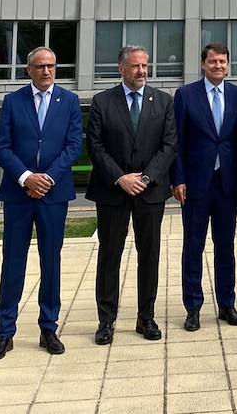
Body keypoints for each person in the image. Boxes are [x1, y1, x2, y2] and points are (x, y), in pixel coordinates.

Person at [0, 46, 83, 362]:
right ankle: (5, 333)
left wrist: (47, 179)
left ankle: (48, 328)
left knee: (50, 262)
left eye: (51, 66)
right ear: (29, 70)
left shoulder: (68, 102)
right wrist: (27, 177)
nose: (46, 71)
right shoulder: (13, 102)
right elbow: (1, 147)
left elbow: (73, 146)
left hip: (53, 195)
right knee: (13, 261)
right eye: (40, 66)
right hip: (18, 195)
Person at [86, 45, 177, 345]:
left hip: (150, 193)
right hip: (113, 191)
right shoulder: (102, 102)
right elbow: (95, 146)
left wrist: (147, 177)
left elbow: (168, 146)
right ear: (121, 69)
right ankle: (106, 321)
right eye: (136, 66)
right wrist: (120, 178)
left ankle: (146, 317)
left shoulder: (163, 101)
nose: (142, 71)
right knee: (110, 255)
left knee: (149, 256)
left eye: (145, 65)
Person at [172, 42, 237, 331]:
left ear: (228, 64)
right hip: (194, 185)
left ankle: (227, 304)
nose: (218, 66)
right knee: (193, 246)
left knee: (225, 246)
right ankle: (193, 306)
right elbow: (176, 142)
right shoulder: (185, 95)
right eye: (213, 61)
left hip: (228, 183)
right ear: (203, 64)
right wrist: (177, 179)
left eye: (222, 62)